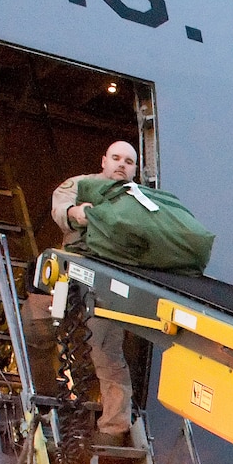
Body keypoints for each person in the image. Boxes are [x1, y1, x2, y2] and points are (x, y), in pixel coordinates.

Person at [49, 141, 141, 447]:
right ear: (103, 160)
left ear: (135, 170)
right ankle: (46, 392)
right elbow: (60, 208)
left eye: (128, 161)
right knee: (35, 326)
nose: (121, 164)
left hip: (108, 286)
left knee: (107, 353)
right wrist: (76, 212)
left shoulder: (139, 201)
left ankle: (114, 428)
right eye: (115, 158)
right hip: (68, 277)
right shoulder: (81, 186)